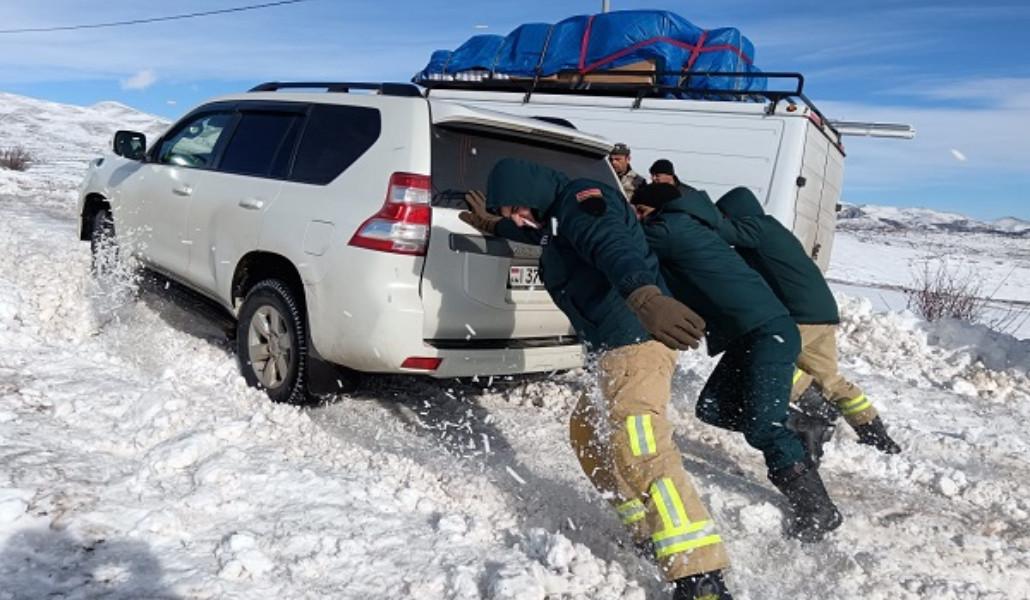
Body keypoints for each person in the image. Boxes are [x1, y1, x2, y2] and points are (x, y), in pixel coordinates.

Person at [460, 158, 733, 600]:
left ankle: (699, 574)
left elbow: (611, 245)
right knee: (588, 433)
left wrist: (644, 297)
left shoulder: (584, 199)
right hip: (613, 350)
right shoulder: (554, 221)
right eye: (509, 213)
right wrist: (496, 226)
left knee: (640, 447)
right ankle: (646, 528)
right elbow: (543, 237)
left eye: (515, 207)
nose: (517, 217)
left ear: (529, 191)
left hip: (636, 341)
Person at [633, 182, 843, 543]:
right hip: (751, 335)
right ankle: (800, 424)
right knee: (712, 408)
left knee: (763, 427)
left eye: (640, 210)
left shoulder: (671, 228)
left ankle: (818, 510)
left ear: (658, 210)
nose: (637, 217)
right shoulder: (681, 227)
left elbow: (624, 240)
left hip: (768, 334)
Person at [715, 187, 902, 455]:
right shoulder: (771, 232)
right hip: (822, 313)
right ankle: (875, 434)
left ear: (735, 214)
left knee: (768, 364)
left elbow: (721, 233)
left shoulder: (759, 228)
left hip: (801, 314)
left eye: (724, 215)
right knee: (829, 379)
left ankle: (819, 413)